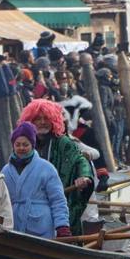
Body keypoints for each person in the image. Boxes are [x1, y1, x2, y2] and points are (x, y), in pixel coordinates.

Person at [19, 98, 93, 233]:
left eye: (46, 118)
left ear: (53, 120)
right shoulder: (23, 145)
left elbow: (80, 160)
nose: (42, 122)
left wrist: (84, 176)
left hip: (58, 206)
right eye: (37, 119)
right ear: (30, 121)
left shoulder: (64, 143)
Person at [2, 121, 71, 238]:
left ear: (32, 145)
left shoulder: (47, 168)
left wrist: (62, 225)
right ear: (13, 145)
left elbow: (58, 200)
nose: (21, 148)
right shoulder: (6, 171)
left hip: (41, 226)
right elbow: (0, 201)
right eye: (17, 144)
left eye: (25, 144)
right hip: (13, 225)